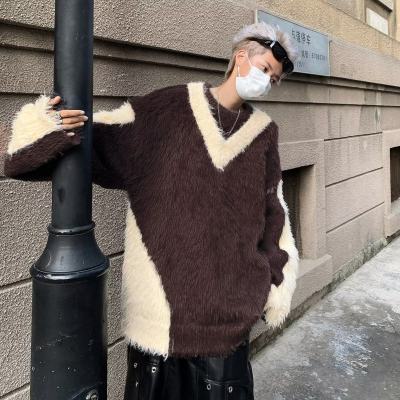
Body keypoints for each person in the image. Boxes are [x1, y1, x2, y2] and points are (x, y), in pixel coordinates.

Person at [3, 21, 300, 400]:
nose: (267, 83)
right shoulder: (168, 110)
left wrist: (272, 283)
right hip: (159, 323)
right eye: (265, 70)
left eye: (273, 80)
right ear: (241, 57)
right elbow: (91, 138)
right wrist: (50, 127)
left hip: (228, 322)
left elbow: (273, 211)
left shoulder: (264, 132)